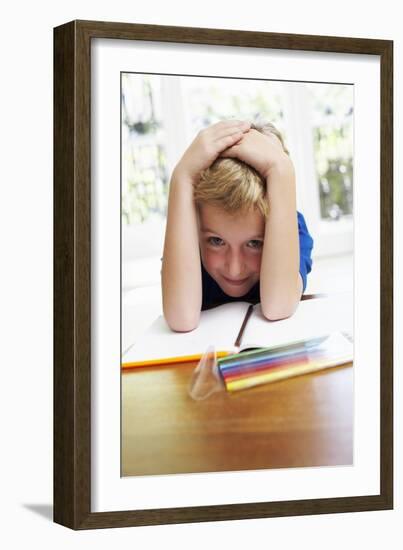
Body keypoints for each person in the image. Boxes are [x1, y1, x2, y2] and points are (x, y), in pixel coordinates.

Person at [161, 119, 313, 332]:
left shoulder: (293, 230)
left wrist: (281, 168)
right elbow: (181, 319)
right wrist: (182, 176)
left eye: (254, 243)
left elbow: (278, 306)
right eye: (216, 241)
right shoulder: (188, 233)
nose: (234, 269)